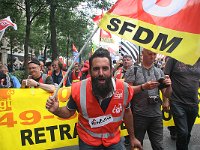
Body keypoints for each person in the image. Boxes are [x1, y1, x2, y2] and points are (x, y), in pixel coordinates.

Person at [46, 48, 142, 150]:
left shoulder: (124, 88)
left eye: (105, 68)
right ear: (90, 71)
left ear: (111, 70)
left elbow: (127, 113)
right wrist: (56, 110)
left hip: (114, 141)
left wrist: (132, 137)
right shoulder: (78, 89)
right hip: (88, 142)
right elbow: (69, 112)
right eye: (96, 69)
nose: (101, 73)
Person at [124, 48, 172, 150]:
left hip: (156, 115)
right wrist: (143, 87)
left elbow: (167, 94)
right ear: (143, 54)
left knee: (158, 146)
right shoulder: (133, 70)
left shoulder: (159, 71)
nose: (152, 57)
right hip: (138, 115)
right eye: (150, 54)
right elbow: (127, 91)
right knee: (137, 145)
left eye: (154, 54)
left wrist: (169, 86)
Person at [164, 57, 200, 150]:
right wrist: (166, 100)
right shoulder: (174, 58)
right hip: (177, 102)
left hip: (193, 103)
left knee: (187, 133)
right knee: (183, 132)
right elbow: (165, 78)